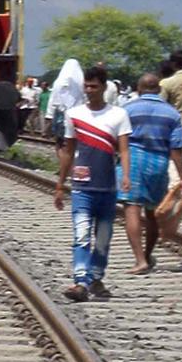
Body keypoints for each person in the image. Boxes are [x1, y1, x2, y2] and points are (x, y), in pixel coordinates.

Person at [54, 65, 131, 303]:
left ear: (104, 87)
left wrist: (126, 176)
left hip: (107, 187)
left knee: (103, 238)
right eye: (86, 86)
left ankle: (96, 277)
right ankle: (80, 281)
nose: (89, 90)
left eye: (94, 86)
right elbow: (68, 151)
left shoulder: (118, 115)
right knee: (81, 235)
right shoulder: (74, 115)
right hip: (81, 188)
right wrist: (60, 183)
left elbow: (124, 150)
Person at [117, 73, 182, 275]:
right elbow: (176, 148)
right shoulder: (172, 114)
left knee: (132, 209)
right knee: (152, 212)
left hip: (133, 160)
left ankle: (139, 260)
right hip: (159, 162)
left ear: (138, 89)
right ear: (159, 89)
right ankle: (148, 254)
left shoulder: (127, 109)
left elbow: (117, 140)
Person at [46, 59, 86, 153]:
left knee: (59, 141)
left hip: (61, 114)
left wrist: (49, 115)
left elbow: (53, 99)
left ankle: (63, 161)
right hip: (78, 116)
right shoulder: (82, 82)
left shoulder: (58, 82)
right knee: (74, 141)